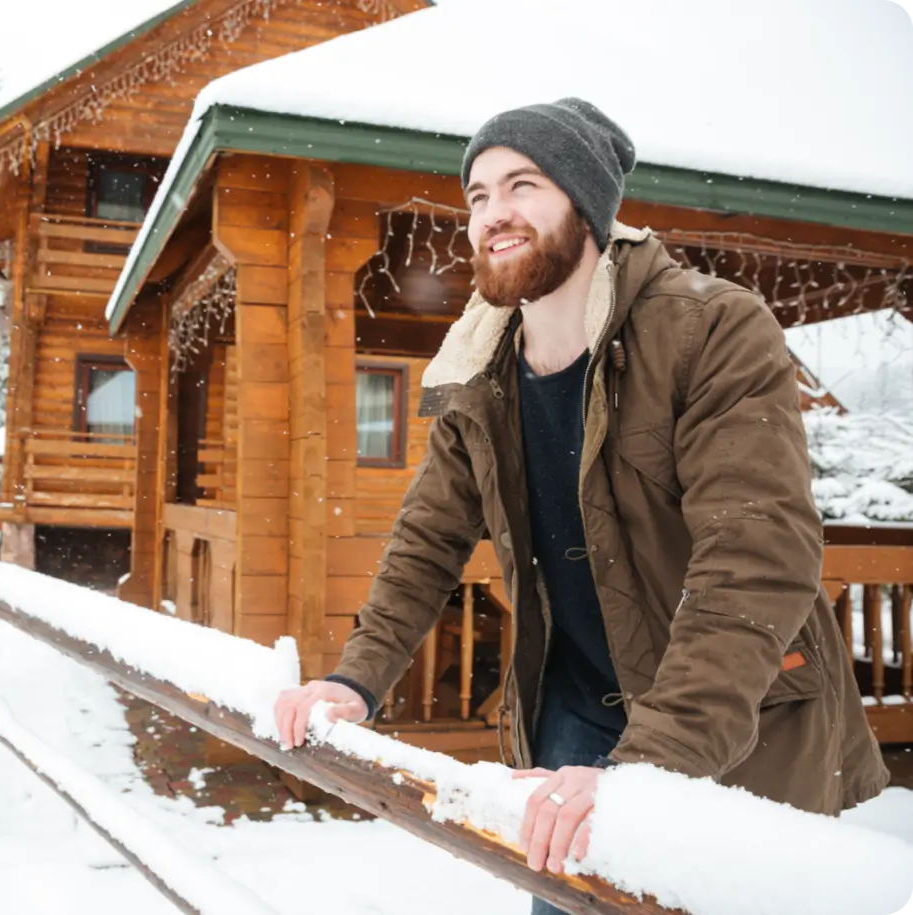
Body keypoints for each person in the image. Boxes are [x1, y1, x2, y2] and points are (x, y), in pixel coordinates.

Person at [272, 98, 889, 913]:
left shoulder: (712, 331)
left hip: (730, 717)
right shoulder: (479, 373)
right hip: (573, 717)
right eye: (479, 195)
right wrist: (357, 678)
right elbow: (427, 540)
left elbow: (756, 555)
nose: (495, 212)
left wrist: (653, 763)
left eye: (523, 184)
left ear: (587, 206)